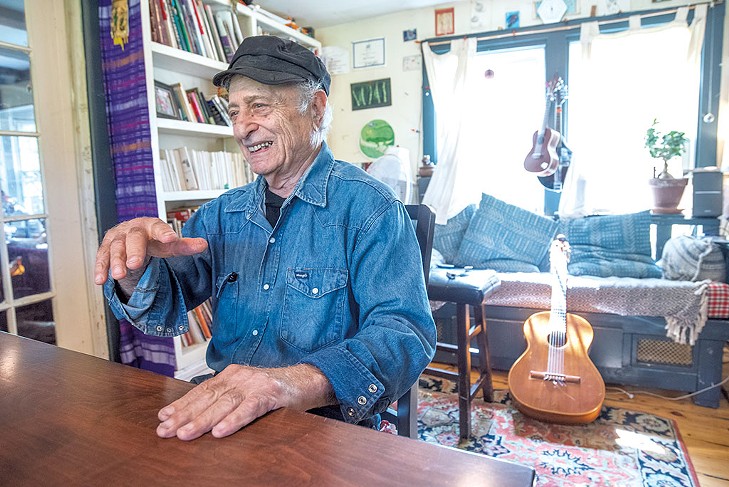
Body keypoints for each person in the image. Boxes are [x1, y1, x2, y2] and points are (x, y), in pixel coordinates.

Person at [94, 36, 436, 441]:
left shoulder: (371, 209)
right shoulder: (220, 215)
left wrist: (288, 385)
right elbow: (164, 306)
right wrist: (133, 268)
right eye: (234, 111)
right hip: (224, 414)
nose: (241, 127)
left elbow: (404, 334)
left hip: (324, 426)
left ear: (316, 108)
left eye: (259, 105)